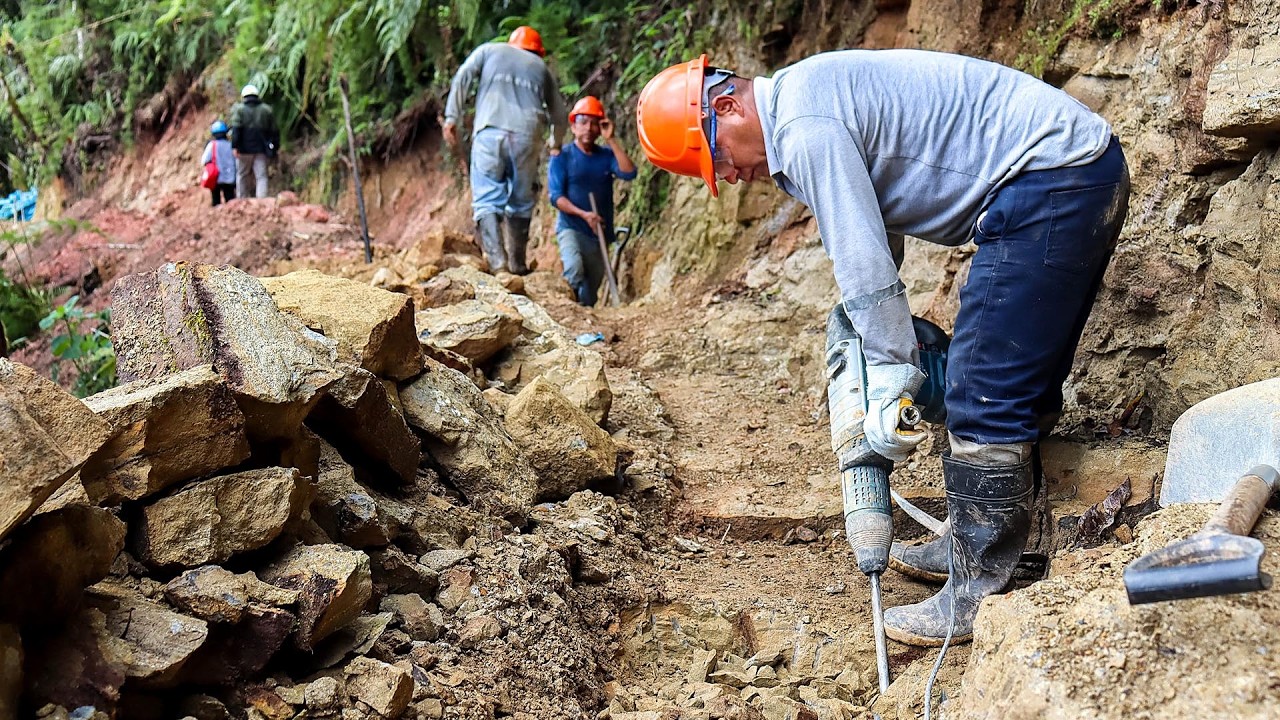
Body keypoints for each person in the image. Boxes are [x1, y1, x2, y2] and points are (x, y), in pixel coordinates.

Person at [636, 50, 1130, 646]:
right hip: (1072, 174)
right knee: (1012, 371)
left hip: (1051, 181)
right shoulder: (803, 103)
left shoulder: (802, 129)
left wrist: (892, 367)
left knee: (983, 387)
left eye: (717, 158)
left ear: (726, 106)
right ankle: (977, 540)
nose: (732, 176)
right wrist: (880, 342)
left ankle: (976, 589)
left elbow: (864, 264)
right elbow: (875, 232)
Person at [443, 25, 567, 275]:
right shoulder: (540, 67)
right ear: (538, 51)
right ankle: (518, 265)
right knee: (521, 200)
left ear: (512, 43)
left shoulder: (489, 50)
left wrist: (451, 117)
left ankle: (499, 264)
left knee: (486, 199)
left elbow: (463, 76)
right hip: (526, 136)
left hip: (489, 131)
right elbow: (560, 115)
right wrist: (555, 143)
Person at [547, 96, 637, 306]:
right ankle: (566, 310)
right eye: (583, 122)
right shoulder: (562, 157)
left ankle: (585, 318)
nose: (588, 128)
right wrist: (584, 215)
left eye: (594, 123)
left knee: (590, 290)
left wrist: (611, 139)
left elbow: (629, 173)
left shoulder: (606, 155)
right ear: (573, 126)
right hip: (571, 228)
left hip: (599, 233)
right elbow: (556, 197)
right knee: (574, 270)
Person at [229, 84, 279, 199]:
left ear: (244, 96)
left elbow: (236, 130)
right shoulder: (266, 110)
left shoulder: (239, 110)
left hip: (243, 151)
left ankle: (242, 200)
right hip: (261, 150)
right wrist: (275, 147)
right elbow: (274, 131)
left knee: (242, 175)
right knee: (261, 176)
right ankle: (262, 201)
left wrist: (235, 146)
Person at [202, 120, 237, 207]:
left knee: (216, 201)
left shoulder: (212, 145)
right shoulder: (230, 145)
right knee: (230, 202)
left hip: (216, 178)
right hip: (230, 178)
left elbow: (204, 160)